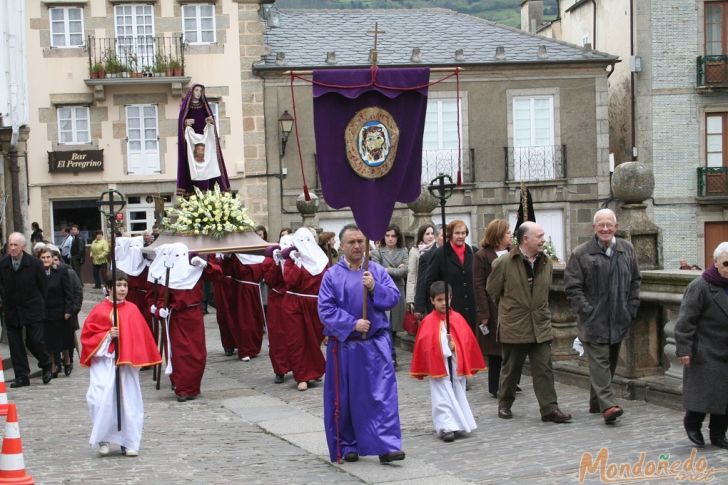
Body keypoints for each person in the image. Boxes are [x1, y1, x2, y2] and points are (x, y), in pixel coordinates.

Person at [318, 224, 405, 464]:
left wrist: (375, 288)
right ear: (342, 246)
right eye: (352, 242)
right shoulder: (332, 276)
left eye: (360, 242)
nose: (357, 246)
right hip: (345, 346)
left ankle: (386, 445)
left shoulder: (375, 271)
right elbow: (325, 309)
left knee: (381, 396)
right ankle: (348, 445)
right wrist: (352, 324)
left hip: (375, 344)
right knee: (345, 398)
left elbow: (393, 297)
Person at [486, 222, 572, 423]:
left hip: (540, 324)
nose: (543, 239)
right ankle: (505, 403)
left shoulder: (546, 262)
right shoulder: (504, 262)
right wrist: (512, 309)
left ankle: (549, 409)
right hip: (515, 324)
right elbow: (493, 291)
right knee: (511, 369)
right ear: (526, 239)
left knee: (544, 368)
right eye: (539, 236)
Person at [564, 209, 641, 424]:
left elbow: (636, 280)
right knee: (600, 362)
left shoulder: (626, 249)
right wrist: (586, 310)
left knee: (611, 362)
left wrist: (631, 307)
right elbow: (572, 287)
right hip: (593, 320)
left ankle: (596, 402)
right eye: (601, 225)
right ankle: (608, 406)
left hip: (619, 318)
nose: (605, 229)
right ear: (594, 228)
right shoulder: (581, 253)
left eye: (609, 225)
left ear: (616, 227)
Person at [81, 271, 162, 457]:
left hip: (125, 366)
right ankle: (104, 437)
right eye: (118, 285)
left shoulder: (132, 309)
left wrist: (132, 353)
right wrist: (108, 336)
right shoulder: (98, 311)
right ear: (109, 287)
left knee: (128, 402)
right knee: (98, 399)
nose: (122, 289)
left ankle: (129, 441)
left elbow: (141, 337)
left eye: (125, 285)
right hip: (104, 362)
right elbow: (88, 337)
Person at [410, 281, 486, 442]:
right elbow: (426, 345)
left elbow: (466, 341)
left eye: (447, 299)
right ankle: (445, 426)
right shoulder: (428, 321)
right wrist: (445, 345)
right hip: (440, 367)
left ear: (451, 298)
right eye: (439, 300)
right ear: (432, 301)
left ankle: (458, 422)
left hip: (455, 366)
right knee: (442, 395)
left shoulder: (457, 319)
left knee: (458, 392)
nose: (444, 303)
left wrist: (455, 347)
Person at [147, 243, 222, 402]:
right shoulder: (166, 275)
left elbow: (217, 275)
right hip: (176, 318)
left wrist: (206, 265)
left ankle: (193, 386)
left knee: (197, 353)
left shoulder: (195, 271)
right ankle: (182, 388)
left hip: (194, 316)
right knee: (180, 354)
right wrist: (160, 310)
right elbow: (161, 298)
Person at [674, 242, 728, 449]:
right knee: (703, 394)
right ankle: (693, 424)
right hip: (706, 350)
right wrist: (684, 349)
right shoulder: (700, 286)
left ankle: (718, 434)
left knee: (725, 399)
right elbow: (685, 321)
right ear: (715, 263)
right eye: (726, 263)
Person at [0, 232, 53, 387]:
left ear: (23, 247)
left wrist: (41, 305)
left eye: (16, 245)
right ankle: (22, 376)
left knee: (34, 340)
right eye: (11, 244)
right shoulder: (3, 264)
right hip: (12, 309)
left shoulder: (34, 264)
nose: (13, 248)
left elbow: (43, 287)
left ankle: (46, 363)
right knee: (15, 344)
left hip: (32, 307)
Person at [281, 228, 328, 391]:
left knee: (314, 340)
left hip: (315, 305)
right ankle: (302, 376)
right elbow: (290, 281)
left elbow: (327, 282)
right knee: (298, 340)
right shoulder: (292, 260)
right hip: (294, 304)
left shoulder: (322, 260)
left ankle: (314, 371)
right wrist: (296, 264)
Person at [473, 218, 512, 398]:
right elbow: (478, 285)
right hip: (492, 307)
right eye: (507, 233)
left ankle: (512, 381)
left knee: (512, 348)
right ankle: (495, 385)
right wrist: (484, 313)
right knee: (495, 350)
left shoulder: (513, 252)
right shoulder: (482, 256)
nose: (510, 235)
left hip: (511, 307)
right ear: (498, 236)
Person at [177, 84, 230, 196]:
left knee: (208, 162)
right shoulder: (185, 107)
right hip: (192, 142)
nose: (198, 93)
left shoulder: (204, 106)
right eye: (196, 90)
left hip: (205, 140)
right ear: (192, 92)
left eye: (200, 91)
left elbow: (209, 120)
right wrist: (185, 122)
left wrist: (209, 120)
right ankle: (194, 191)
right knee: (195, 164)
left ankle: (210, 189)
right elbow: (181, 122)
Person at [426, 220, 477, 333]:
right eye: (457, 233)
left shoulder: (472, 252)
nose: (460, 236)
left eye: (463, 233)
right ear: (450, 234)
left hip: (470, 308)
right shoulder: (440, 254)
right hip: (450, 307)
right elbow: (430, 282)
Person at [371, 223, 408, 367]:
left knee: (394, 327)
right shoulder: (377, 252)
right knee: (385, 324)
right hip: (384, 290)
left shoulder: (403, 250)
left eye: (393, 236)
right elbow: (377, 271)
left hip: (398, 290)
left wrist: (387, 269)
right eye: (387, 236)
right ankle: (390, 356)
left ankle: (390, 354)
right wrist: (394, 269)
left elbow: (405, 271)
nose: (390, 239)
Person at [38, 247, 74, 378]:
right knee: (49, 341)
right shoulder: (38, 273)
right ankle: (53, 365)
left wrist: (68, 310)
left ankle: (67, 359)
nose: (46, 260)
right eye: (43, 258)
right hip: (45, 312)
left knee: (63, 339)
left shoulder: (61, 272)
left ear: (52, 259)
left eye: (48, 257)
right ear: (39, 259)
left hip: (61, 312)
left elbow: (68, 293)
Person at [51, 248, 83, 377]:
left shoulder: (68, 272)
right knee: (53, 339)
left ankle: (68, 360)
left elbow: (77, 292)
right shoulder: (46, 273)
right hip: (53, 313)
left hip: (68, 312)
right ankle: (56, 363)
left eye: (56, 260)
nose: (53, 263)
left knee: (67, 339)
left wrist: (73, 309)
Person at [406, 223, 435, 318]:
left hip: (435, 290)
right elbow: (412, 275)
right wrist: (411, 299)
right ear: (421, 235)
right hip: (421, 291)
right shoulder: (415, 251)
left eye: (432, 233)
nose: (430, 236)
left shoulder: (438, 248)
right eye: (427, 234)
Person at [414, 226, 444, 316]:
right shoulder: (426, 257)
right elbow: (422, 282)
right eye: (443, 236)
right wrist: (419, 308)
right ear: (436, 237)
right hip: (434, 301)